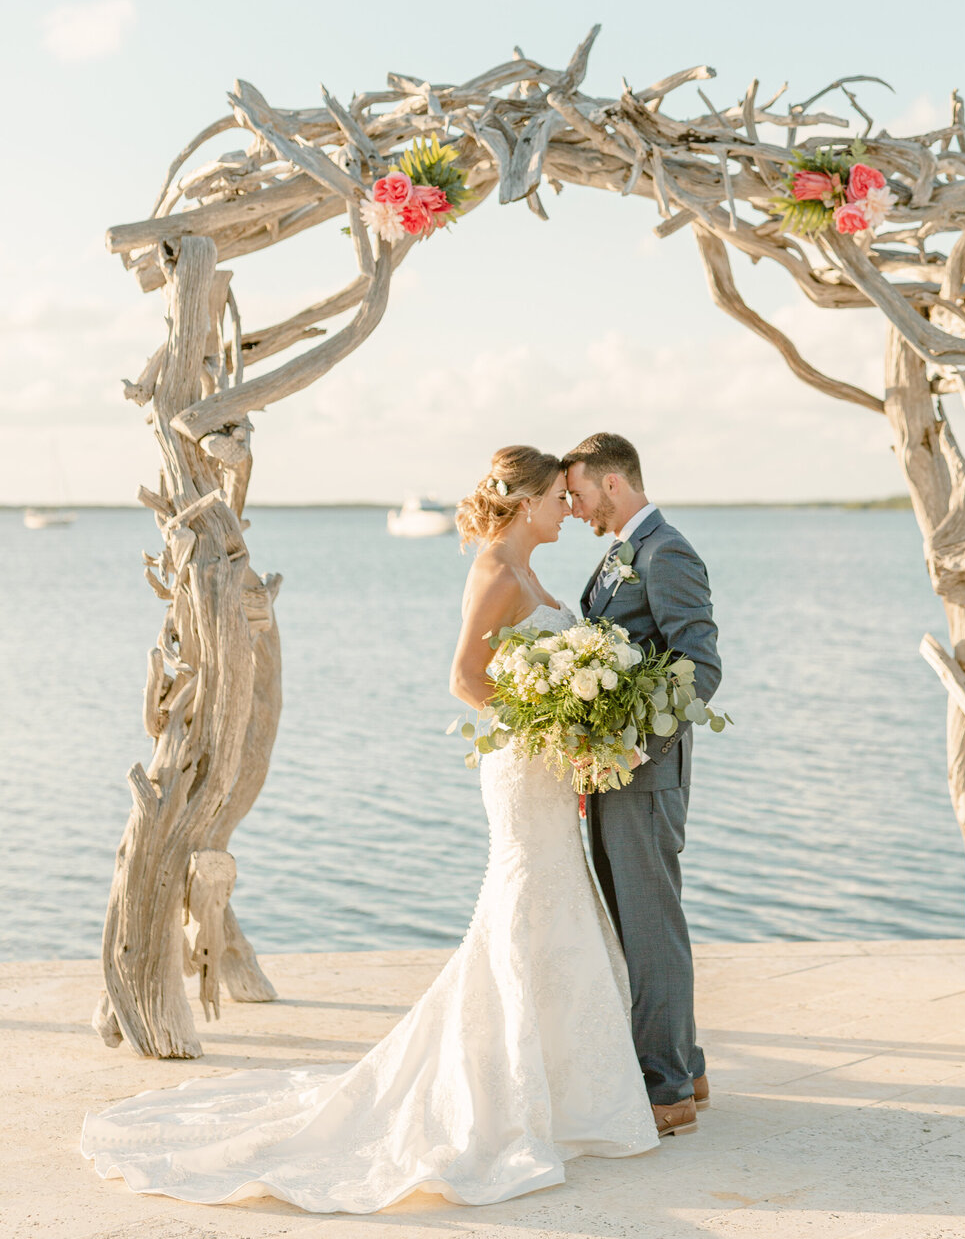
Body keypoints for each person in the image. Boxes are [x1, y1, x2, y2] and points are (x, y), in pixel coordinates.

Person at [81, 446, 658, 1212]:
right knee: (528, 903)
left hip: (546, 769)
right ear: (526, 505)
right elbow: (465, 678)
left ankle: (562, 1088)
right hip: (523, 766)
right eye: (558, 496)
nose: (567, 509)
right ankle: (504, 1093)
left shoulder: (527, 570)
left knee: (555, 903)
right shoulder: (494, 569)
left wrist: (569, 727)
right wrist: (548, 727)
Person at [563, 432, 722, 1138]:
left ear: (613, 484)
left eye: (577, 492)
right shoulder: (623, 552)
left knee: (653, 928)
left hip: (643, 774)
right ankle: (685, 1066)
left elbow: (701, 667)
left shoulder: (668, 552)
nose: (572, 507)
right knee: (640, 923)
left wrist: (633, 749)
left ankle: (664, 1093)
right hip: (613, 773)